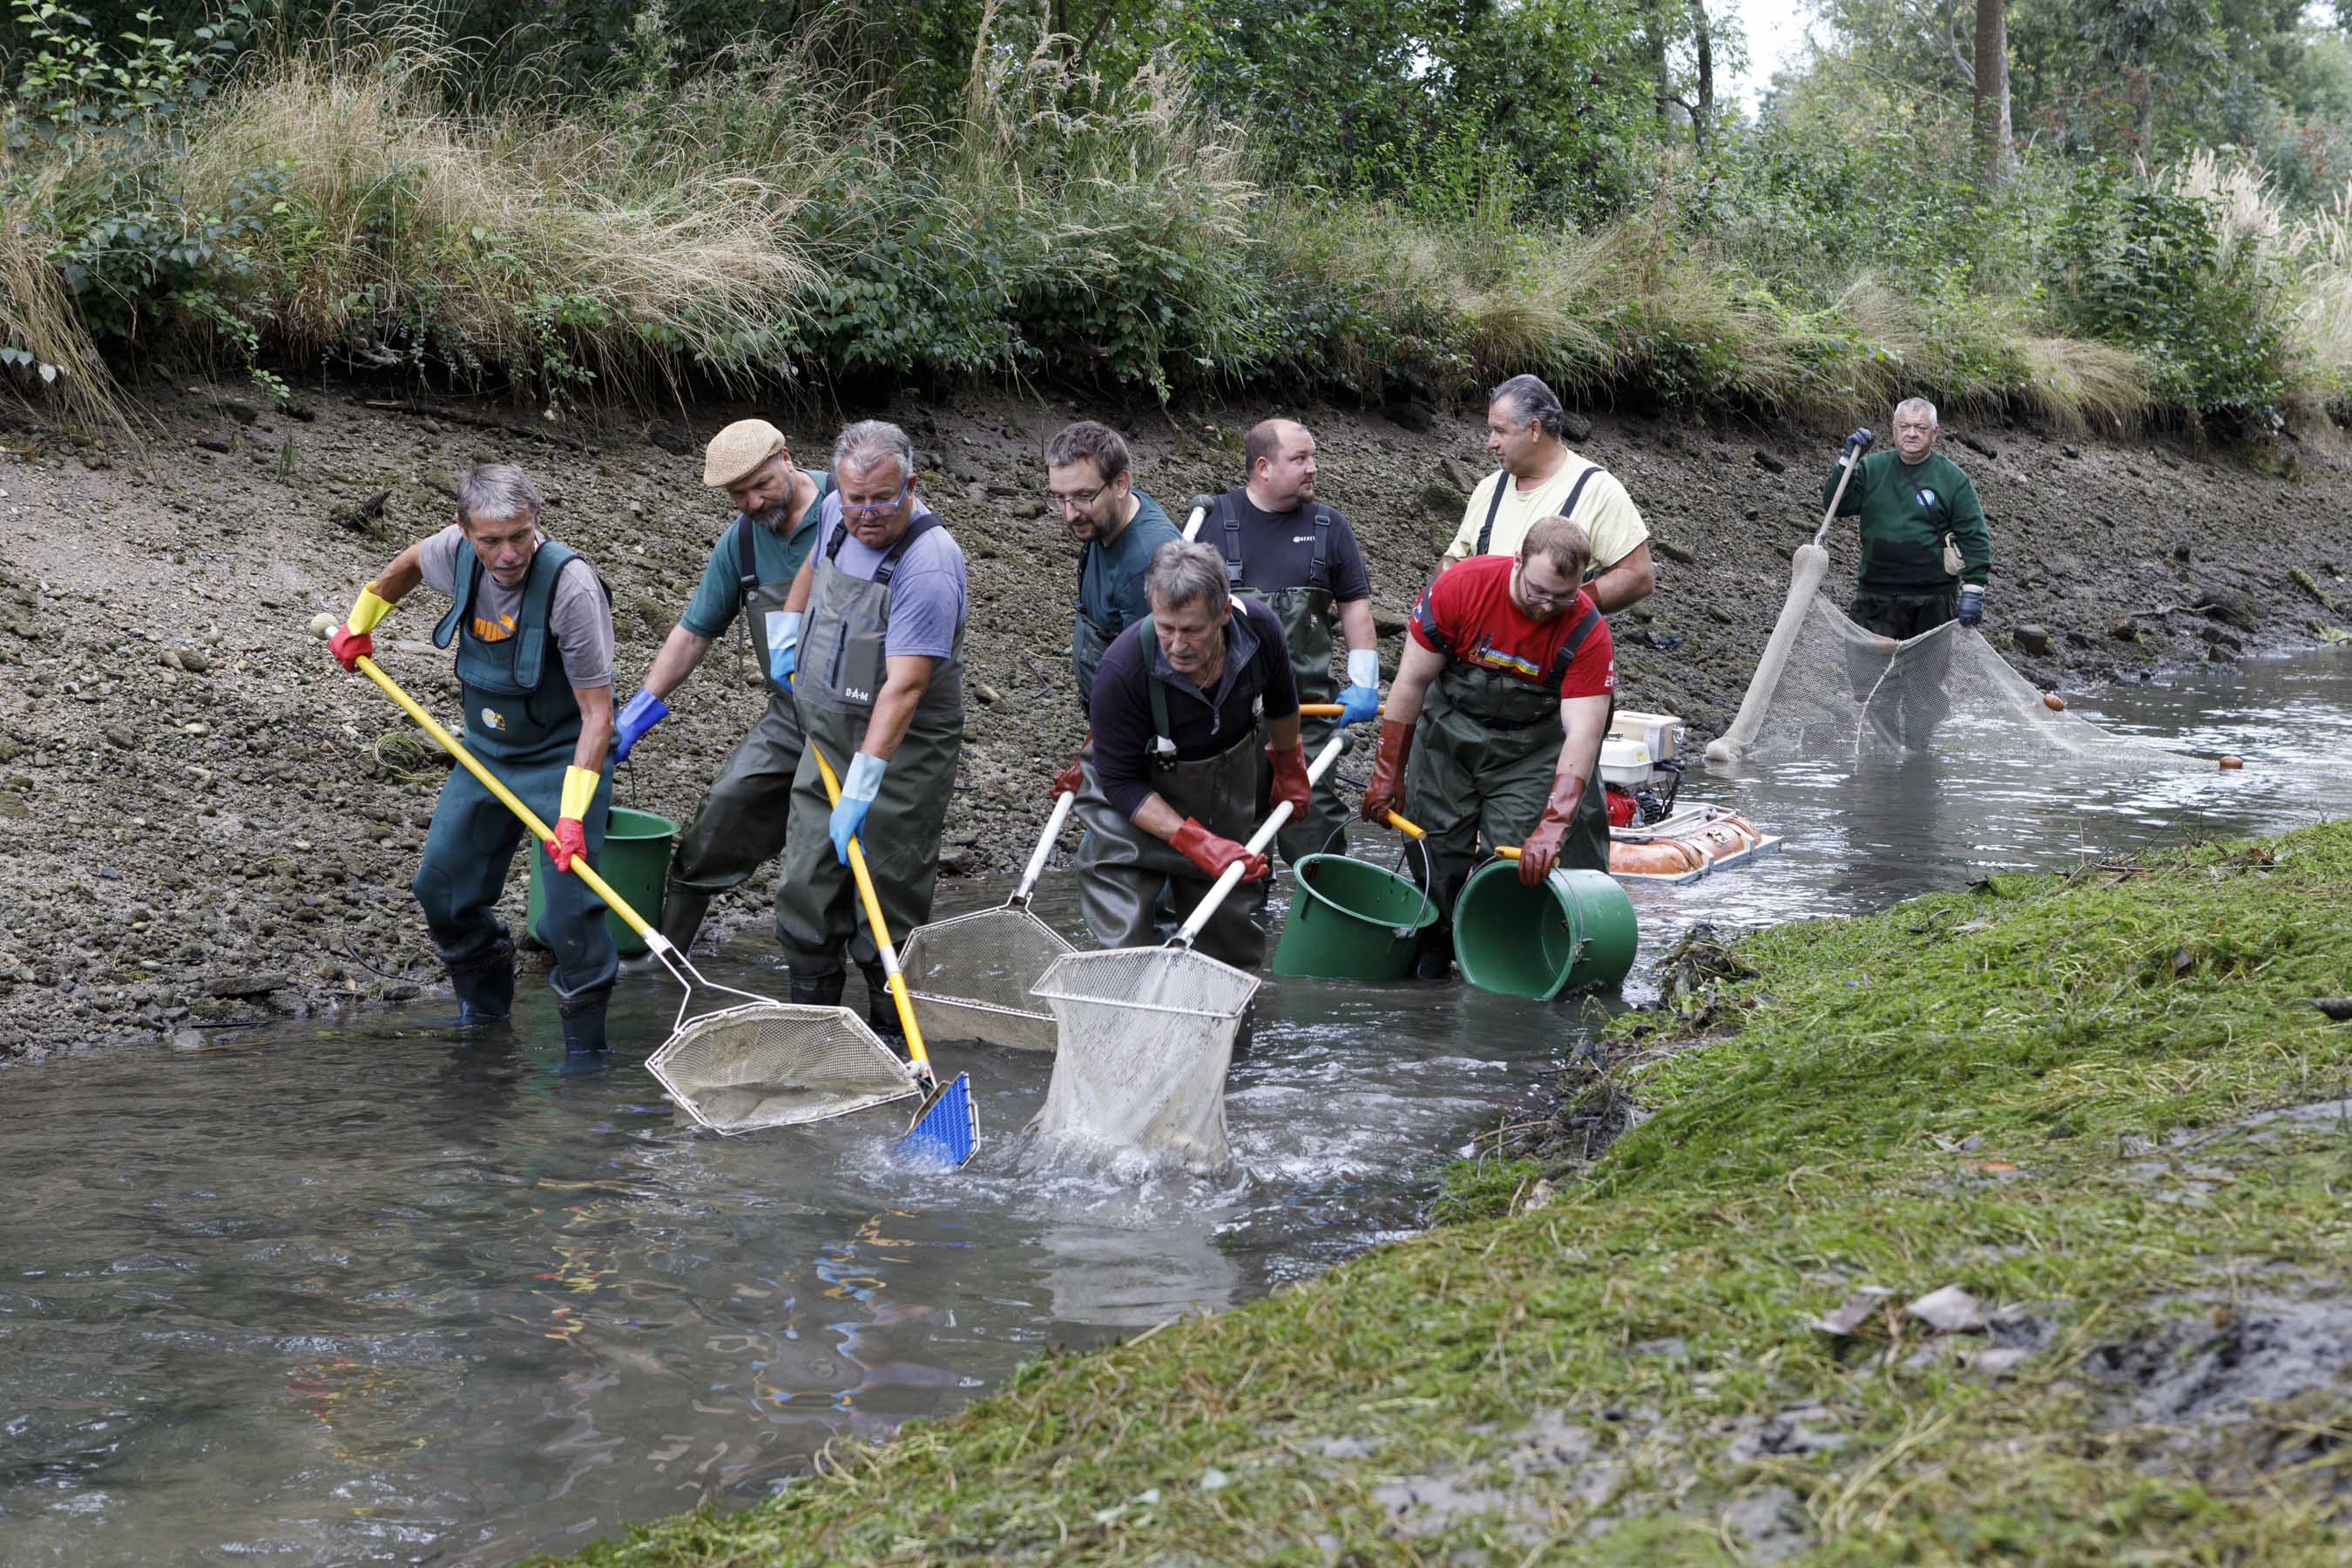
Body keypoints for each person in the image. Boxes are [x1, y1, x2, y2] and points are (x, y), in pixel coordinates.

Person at [326, 463, 619, 1051]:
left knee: (569, 921)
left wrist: (571, 818)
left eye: (520, 535)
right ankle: (485, 1024)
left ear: (536, 521)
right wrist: (360, 626)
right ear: (464, 530)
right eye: (491, 540)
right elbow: (405, 565)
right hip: (485, 754)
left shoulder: (572, 588)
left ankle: (586, 1059)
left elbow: (599, 717)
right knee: (442, 888)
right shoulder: (453, 550)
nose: (508, 553)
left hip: (565, 762)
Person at [770, 421, 968, 1032]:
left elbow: (905, 687)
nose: (867, 514)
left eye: (882, 498)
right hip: (827, 735)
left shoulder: (929, 566)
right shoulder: (835, 509)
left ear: (911, 484)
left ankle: (890, 1028)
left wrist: (863, 785)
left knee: (886, 895)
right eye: (856, 499)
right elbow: (812, 565)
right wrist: (789, 624)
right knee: (805, 876)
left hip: (900, 756)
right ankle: (814, 1024)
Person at [607, 421, 833, 952]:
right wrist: (634, 718)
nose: (752, 502)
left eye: (761, 485)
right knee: (718, 820)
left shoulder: (851, 509)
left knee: (826, 858)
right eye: (738, 494)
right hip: (792, 713)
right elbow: (691, 634)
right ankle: (668, 963)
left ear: (787, 456)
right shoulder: (743, 543)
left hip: (863, 717)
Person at [1362, 515, 1616, 981]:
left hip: (1532, 747)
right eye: (1538, 592)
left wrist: (1554, 825)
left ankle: (1500, 952)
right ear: (1517, 560)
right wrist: (1387, 772)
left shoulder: (1586, 630)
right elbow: (1411, 682)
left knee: (1515, 860)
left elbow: (1583, 733)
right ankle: (1436, 943)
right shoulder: (1461, 587)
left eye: (1563, 597)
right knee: (1432, 843)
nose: (1546, 607)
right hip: (1448, 730)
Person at [1073, 539, 1308, 970]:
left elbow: (1281, 703)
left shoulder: (1260, 630)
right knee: (1125, 947)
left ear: (1223, 613)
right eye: (1166, 627)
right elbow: (1120, 783)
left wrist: (1289, 766)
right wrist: (1193, 840)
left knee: (1228, 949)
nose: (1177, 644)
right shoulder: (1122, 670)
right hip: (1130, 810)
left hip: (1221, 794)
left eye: (1192, 630)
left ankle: (1226, 1036)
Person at [1203, 418, 1378, 866]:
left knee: (1314, 830)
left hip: (1308, 718)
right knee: (1234, 835)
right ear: (1263, 467)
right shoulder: (1210, 524)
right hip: (1230, 723)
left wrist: (1364, 683)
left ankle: (1323, 918)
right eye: (1299, 459)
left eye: (1312, 457)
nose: (1312, 468)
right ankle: (1238, 925)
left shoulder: (1329, 527)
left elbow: (1355, 609)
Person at [1822, 397, 1993, 747]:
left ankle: (1918, 752)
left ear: (1935, 432)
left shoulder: (1953, 479)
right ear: (1894, 429)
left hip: (1933, 599)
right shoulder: (1871, 468)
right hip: (1876, 596)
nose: (1911, 434)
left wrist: (1973, 591)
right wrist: (1846, 459)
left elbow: (1974, 536)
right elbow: (1835, 505)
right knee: (1872, 681)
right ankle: (1886, 750)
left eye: (1920, 428)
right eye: (1904, 427)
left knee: (1925, 686)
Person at [1045, 421, 1183, 797]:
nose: (1070, 514)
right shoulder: (1104, 519)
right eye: (1060, 497)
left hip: (1151, 738)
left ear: (1121, 484)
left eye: (1082, 496)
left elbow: (1139, 687)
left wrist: (1088, 760)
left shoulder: (1147, 564)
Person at [1443, 375, 1655, 612]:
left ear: (1535, 429)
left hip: (1551, 646)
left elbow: (1638, 576)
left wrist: (1560, 605)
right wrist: (1453, 585)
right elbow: (1453, 559)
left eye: (1500, 431)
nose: (1490, 443)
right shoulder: (1489, 489)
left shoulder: (1598, 490)